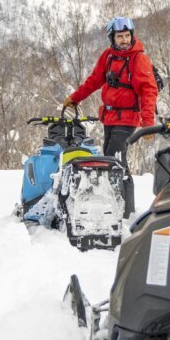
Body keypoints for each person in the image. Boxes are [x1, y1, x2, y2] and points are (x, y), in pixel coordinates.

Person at [63, 17, 158, 216]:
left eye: (127, 35)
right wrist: (75, 98)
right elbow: (93, 81)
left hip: (127, 119)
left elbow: (149, 90)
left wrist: (148, 123)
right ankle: (113, 206)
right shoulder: (108, 56)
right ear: (112, 38)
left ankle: (126, 213)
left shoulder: (138, 59)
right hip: (109, 118)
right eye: (119, 36)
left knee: (116, 162)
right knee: (109, 161)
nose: (124, 40)